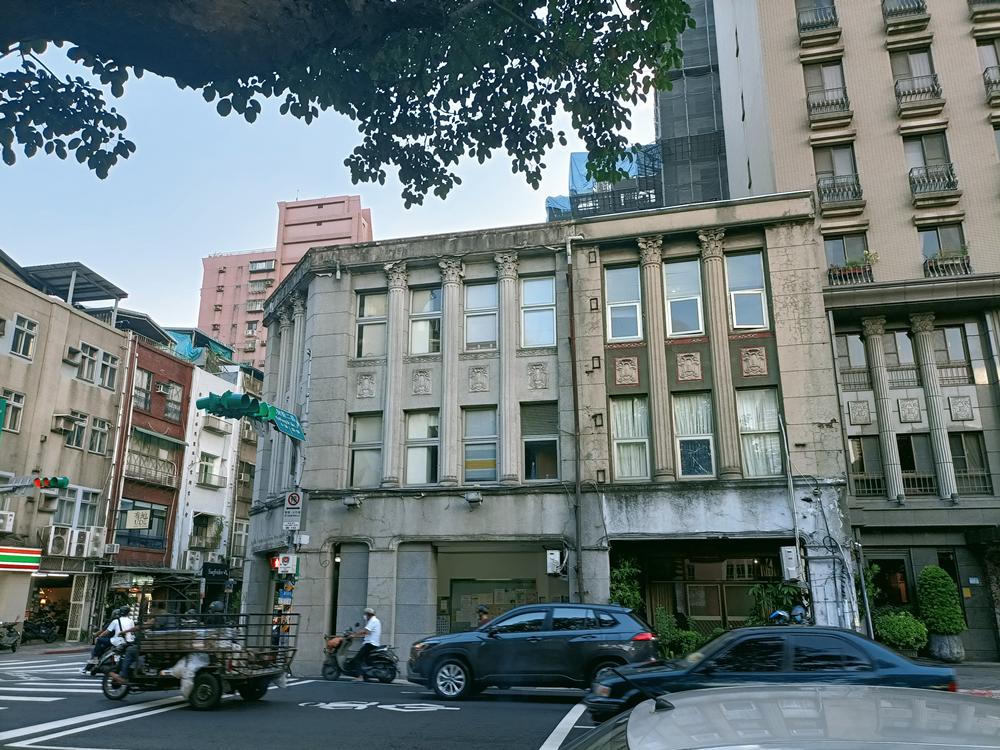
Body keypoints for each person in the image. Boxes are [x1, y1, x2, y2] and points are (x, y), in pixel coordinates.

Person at [82, 608, 120, 674]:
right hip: (119, 642)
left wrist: (97, 636)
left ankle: (87, 668)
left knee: (96, 654)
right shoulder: (123, 621)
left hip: (110, 641)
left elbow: (104, 631)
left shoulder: (112, 622)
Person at [107, 606, 139, 685]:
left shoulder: (115, 620)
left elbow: (107, 631)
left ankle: (123, 675)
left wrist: (98, 636)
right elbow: (134, 630)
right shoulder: (131, 620)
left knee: (130, 651)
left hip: (117, 641)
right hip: (128, 640)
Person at [348, 607, 381, 677]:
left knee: (357, 659)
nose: (364, 616)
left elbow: (365, 631)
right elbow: (367, 633)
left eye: (365, 614)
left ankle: (359, 676)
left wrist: (354, 635)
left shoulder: (373, 621)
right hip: (373, 644)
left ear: (369, 614)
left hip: (370, 644)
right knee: (365, 660)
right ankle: (366, 676)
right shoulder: (375, 621)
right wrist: (357, 635)